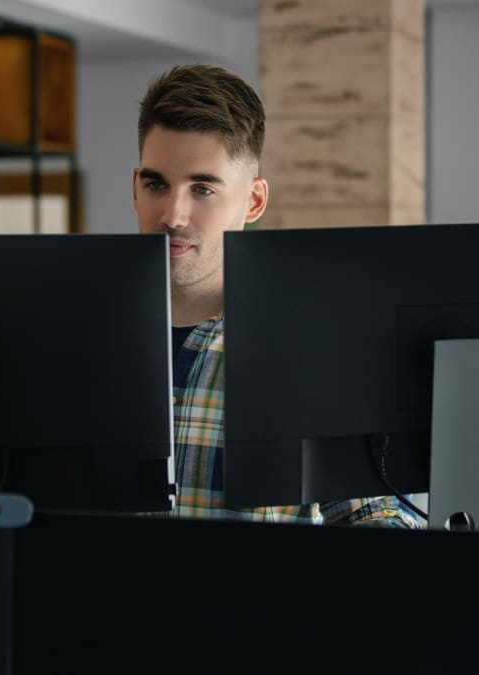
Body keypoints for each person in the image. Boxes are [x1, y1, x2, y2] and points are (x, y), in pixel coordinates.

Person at [133, 64, 419, 527]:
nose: (173, 214)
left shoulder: (312, 351)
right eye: (156, 184)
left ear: (254, 201)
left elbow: (373, 513)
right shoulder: (78, 342)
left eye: (203, 188)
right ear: (135, 187)